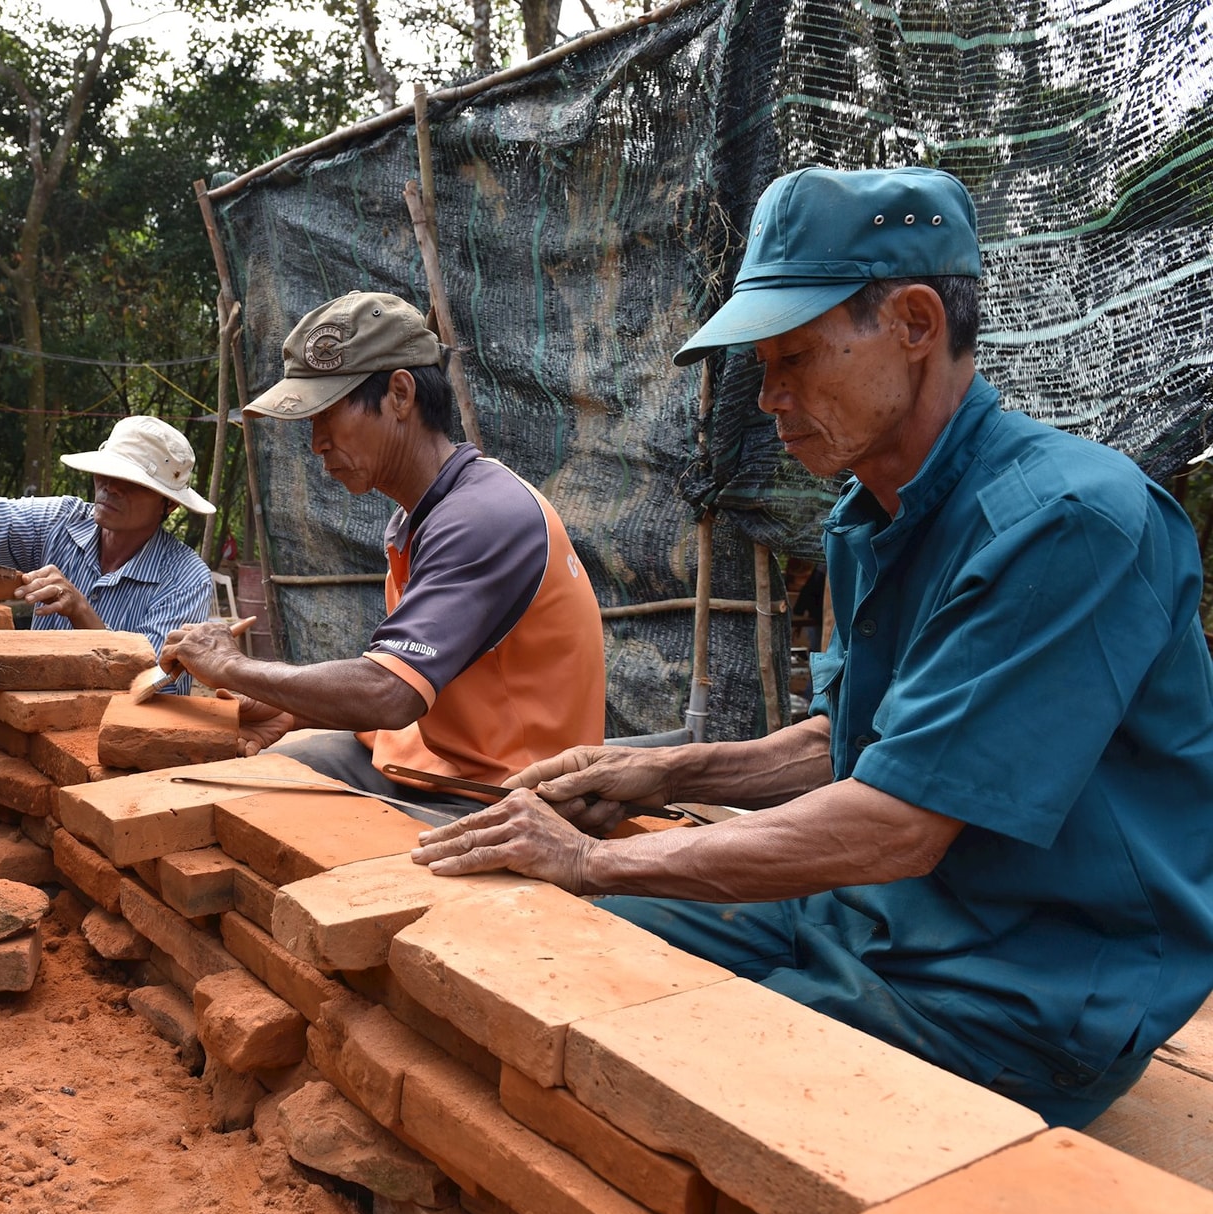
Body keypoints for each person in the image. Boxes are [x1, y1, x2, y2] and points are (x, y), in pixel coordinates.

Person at [409, 167, 1213, 1126]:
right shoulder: (870, 515)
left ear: (915, 323)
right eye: (763, 366)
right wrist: (653, 777)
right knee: (562, 955)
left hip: (1019, 985)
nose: (768, 398)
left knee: (640, 1052)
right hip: (868, 914)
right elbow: (857, 746)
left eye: (794, 358)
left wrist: (593, 859)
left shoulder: (1068, 524)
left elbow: (898, 821)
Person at [160, 292, 607, 821]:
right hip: (435, 761)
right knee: (258, 777)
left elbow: (390, 693)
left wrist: (230, 667)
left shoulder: (485, 517)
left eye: (327, 414)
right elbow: (419, 690)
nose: (317, 443)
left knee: (274, 825)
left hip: (508, 794)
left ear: (400, 394)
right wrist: (291, 710)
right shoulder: (423, 514)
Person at [0, 415, 216, 671]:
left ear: (169, 505)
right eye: (107, 472)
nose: (111, 487)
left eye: (132, 483)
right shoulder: (60, 520)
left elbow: (159, 679)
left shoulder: (185, 578)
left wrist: (81, 612)